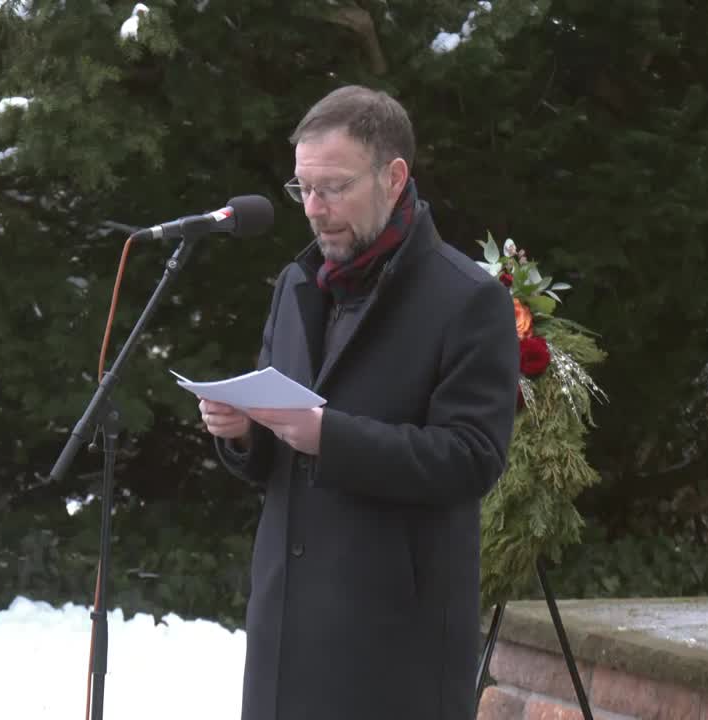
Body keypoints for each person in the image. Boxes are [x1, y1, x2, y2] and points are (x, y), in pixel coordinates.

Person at [199, 85, 519, 719]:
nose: (315, 209)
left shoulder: (466, 300)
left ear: (394, 177)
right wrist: (240, 432)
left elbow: (473, 457)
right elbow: (275, 454)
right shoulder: (296, 284)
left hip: (394, 648)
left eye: (335, 187)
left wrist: (330, 437)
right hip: (287, 634)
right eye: (303, 190)